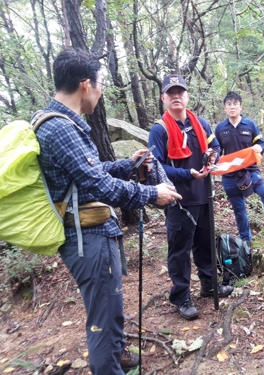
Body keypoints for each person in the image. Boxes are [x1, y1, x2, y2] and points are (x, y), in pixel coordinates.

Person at [36, 48, 181, 374]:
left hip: (94, 235)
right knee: (102, 317)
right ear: (85, 84)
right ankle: (109, 361)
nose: (101, 91)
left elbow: (90, 174)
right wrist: (150, 193)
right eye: (100, 83)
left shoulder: (61, 124)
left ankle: (118, 354)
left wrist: (127, 165)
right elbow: (99, 187)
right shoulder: (61, 128)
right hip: (88, 238)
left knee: (111, 306)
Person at [148, 74, 233, 321]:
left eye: (180, 92)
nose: (176, 96)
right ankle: (181, 296)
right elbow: (156, 168)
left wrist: (213, 157)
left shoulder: (201, 123)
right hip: (177, 198)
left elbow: (214, 145)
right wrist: (187, 173)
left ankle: (209, 284)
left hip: (204, 194)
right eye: (171, 93)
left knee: (205, 243)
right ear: (164, 97)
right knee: (180, 249)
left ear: (187, 96)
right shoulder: (159, 129)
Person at [214, 91, 264, 245]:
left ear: (241, 107)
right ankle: (246, 240)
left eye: (235, 104)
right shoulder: (220, 128)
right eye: (229, 104)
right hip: (230, 174)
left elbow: (261, 142)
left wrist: (259, 147)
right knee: (238, 208)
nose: (232, 107)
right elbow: (215, 150)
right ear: (225, 108)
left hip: (250, 171)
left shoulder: (250, 125)